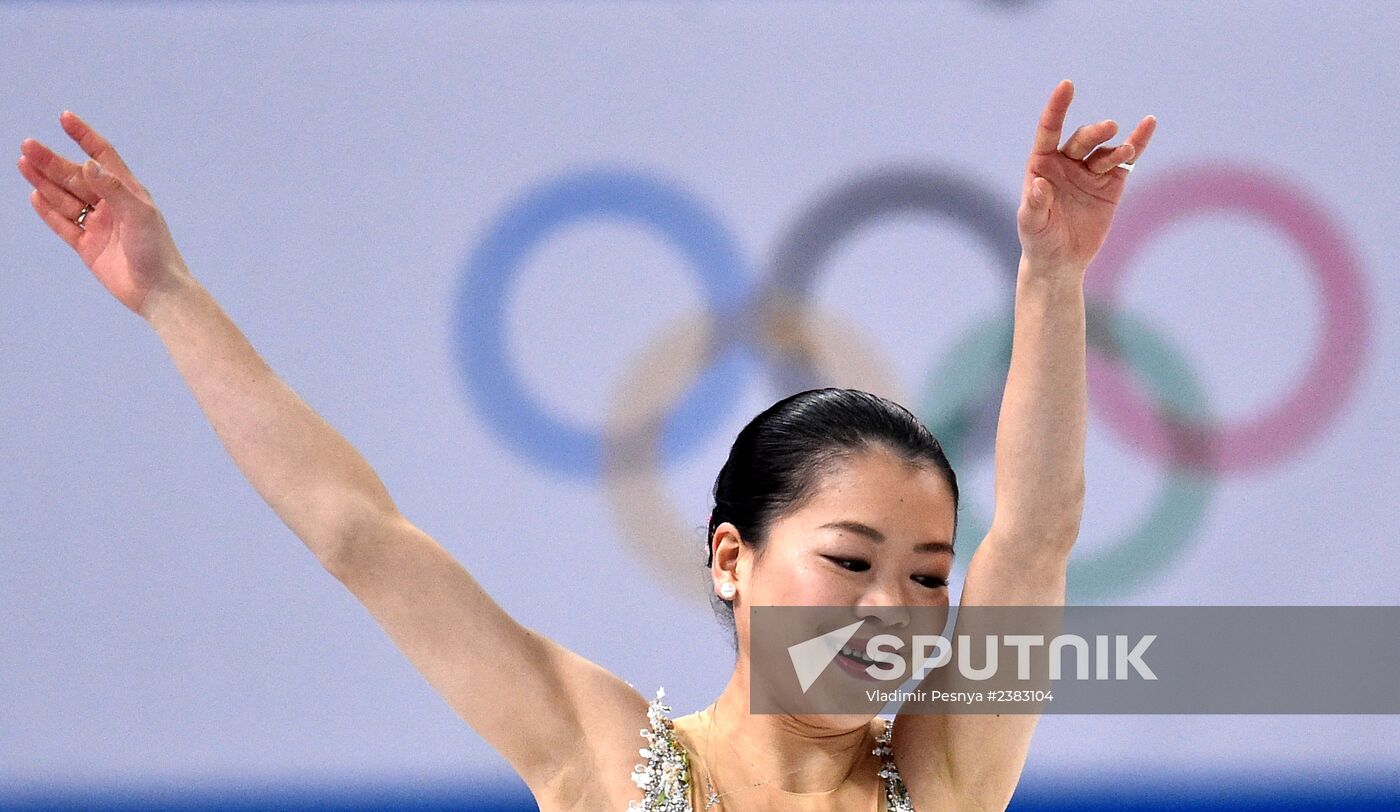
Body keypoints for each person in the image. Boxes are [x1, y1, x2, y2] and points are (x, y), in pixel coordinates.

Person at [17, 79, 1155, 811]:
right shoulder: (606, 763)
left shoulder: (953, 775)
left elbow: (1037, 533)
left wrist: (1051, 280)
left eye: (923, 577)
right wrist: (168, 295)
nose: (891, 611)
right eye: (848, 561)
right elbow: (355, 532)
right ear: (729, 558)